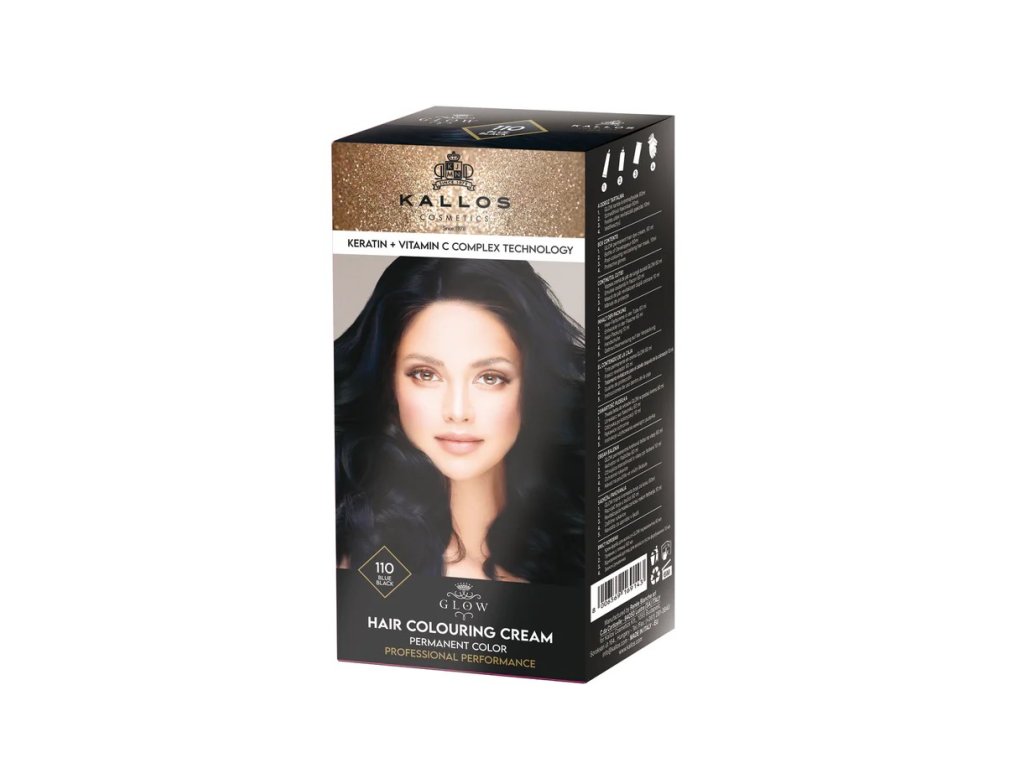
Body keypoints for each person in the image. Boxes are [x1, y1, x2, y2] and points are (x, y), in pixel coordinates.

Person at [335, 257, 585, 585]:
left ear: (533, 388)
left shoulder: (581, 549)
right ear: (389, 383)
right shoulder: (359, 567)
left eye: (490, 377)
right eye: (426, 374)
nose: (457, 410)